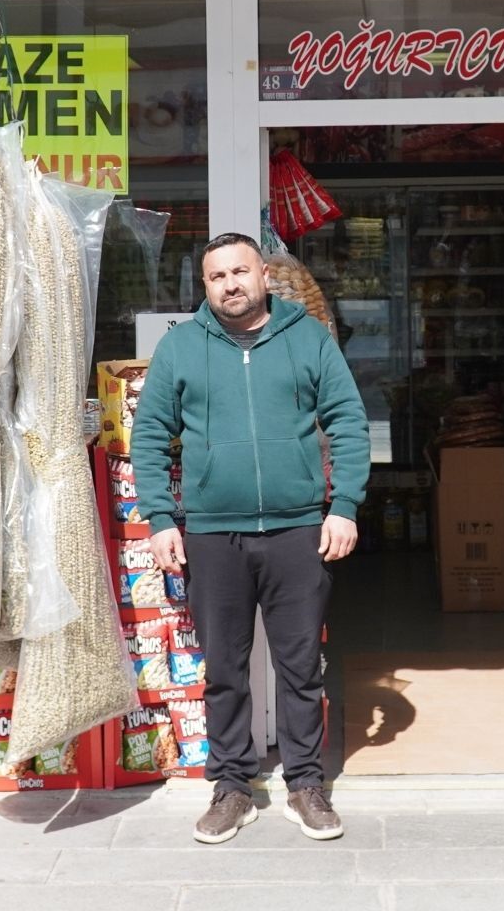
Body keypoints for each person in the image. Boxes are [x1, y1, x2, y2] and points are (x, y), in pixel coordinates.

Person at [130, 232, 370, 845]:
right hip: (213, 534)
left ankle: (305, 786)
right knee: (225, 671)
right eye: (217, 277)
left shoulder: (308, 337)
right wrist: (161, 517)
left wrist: (342, 506)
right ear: (204, 286)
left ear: (263, 274)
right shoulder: (181, 347)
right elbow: (151, 436)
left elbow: (347, 419)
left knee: (300, 669)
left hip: (297, 530)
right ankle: (232, 788)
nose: (230, 284)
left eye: (240, 272)